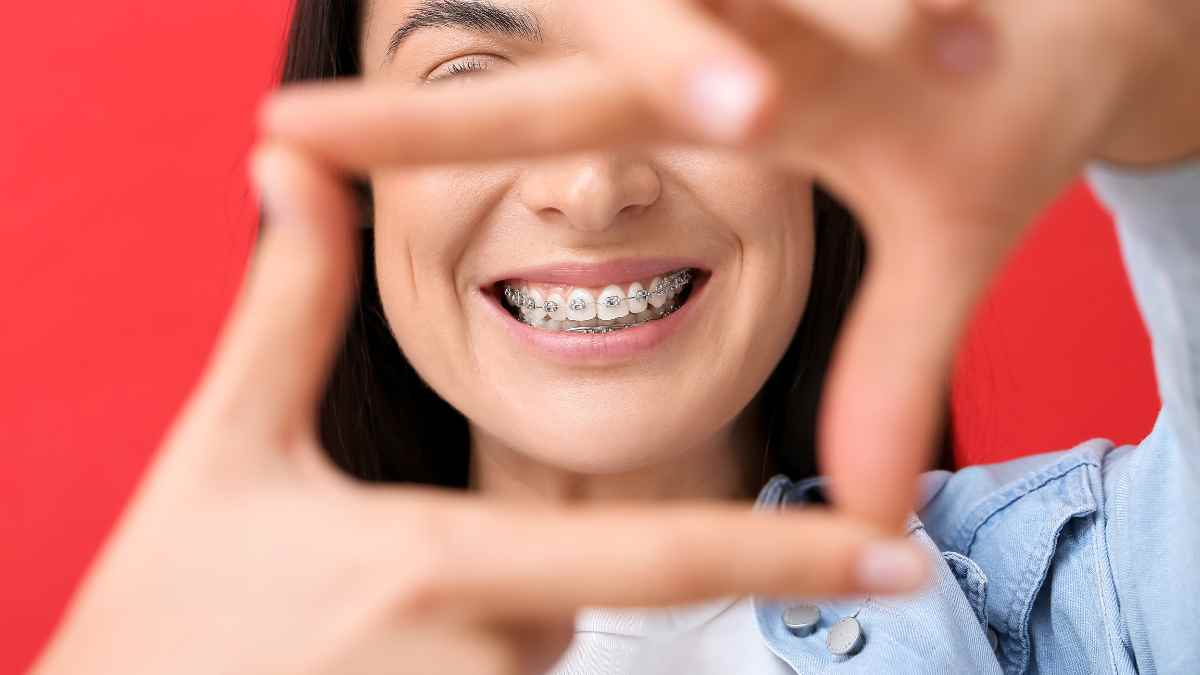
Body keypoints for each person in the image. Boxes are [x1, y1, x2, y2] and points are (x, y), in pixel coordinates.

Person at [30, 1, 1200, 673]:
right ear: (364, 178)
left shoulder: (1074, 603)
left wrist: (1171, 107)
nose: (592, 189)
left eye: (689, 86)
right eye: (470, 76)